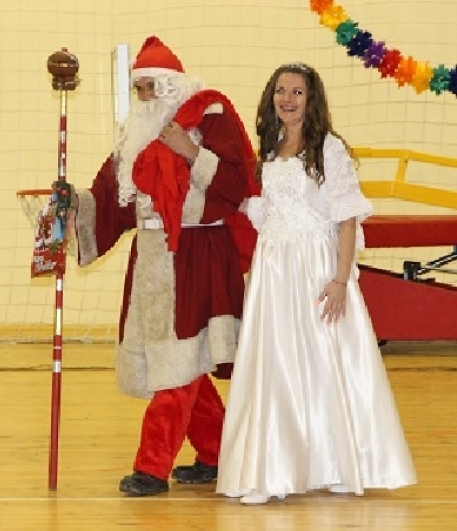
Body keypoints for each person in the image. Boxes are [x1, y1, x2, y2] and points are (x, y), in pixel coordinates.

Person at [215, 62, 417, 505]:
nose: (287, 99)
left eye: (297, 92)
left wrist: (341, 280)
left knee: (326, 360)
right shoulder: (269, 149)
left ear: (312, 100)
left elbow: (346, 219)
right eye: (280, 91)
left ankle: (340, 464)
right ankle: (271, 471)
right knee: (277, 363)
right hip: (274, 269)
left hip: (315, 267)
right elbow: (267, 212)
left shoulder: (329, 149)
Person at [66, 36, 258, 497]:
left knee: (177, 366)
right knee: (183, 365)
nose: (146, 96)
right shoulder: (134, 136)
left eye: (153, 86)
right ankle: (219, 452)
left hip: (198, 253)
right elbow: (108, 200)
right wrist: (70, 202)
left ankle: (151, 468)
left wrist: (191, 152)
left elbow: (240, 184)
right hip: (152, 262)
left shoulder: (210, 117)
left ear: (173, 85)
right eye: (140, 88)